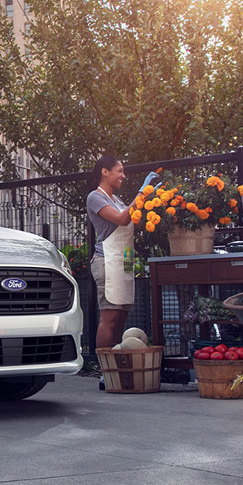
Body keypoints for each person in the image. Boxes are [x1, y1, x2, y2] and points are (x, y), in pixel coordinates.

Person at [87, 156, 157, 389]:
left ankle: (116, 366)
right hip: (106, 259)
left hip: (124, 260)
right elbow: (121, 218)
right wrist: (143, 193)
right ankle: (104, 371)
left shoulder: (116, 199)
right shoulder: (95, 197)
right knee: (110, 317)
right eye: (119, 171)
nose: (123, 176)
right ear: (105, 172)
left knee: (122, 314)